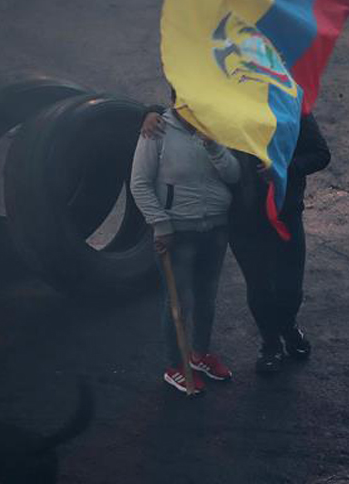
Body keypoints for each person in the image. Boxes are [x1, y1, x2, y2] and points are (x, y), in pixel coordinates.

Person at [140, 110, 331, 374]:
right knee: (259, 285)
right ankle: (271, 345)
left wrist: (284, 168)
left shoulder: (291, 105)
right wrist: (148, 113)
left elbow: (321, 154)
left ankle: (288, 327)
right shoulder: (224, 100)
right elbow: (184, 110)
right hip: (243, 217)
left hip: (285, 212)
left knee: (290, 287)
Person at [130, 90, 242, 394]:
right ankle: (175, 366)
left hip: (216, 229)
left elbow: (233, 175)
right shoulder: (156, 130)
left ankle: (200, 355)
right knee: (179, 301)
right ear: (175, 100)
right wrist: (160, 223)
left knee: (207, 297)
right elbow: (139, 182)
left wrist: (213, 146)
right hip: (177, 231)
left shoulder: (213, 127)